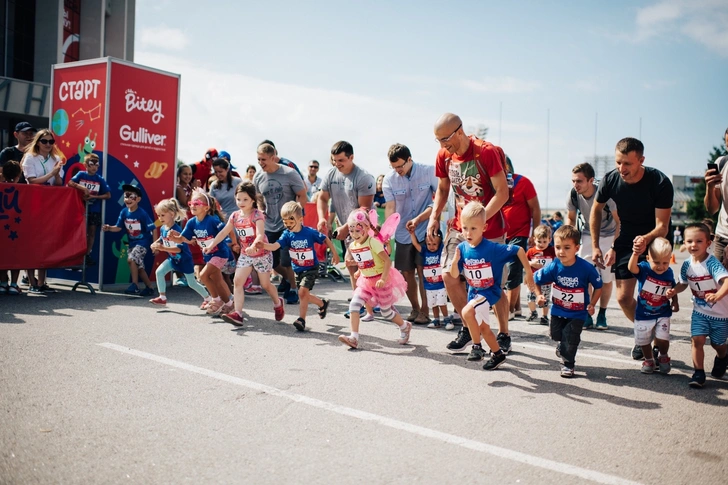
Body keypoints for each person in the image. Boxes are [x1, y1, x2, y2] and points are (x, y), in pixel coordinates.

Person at [426, 113, 511, 354]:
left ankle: (503, 333)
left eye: (446, 139)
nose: (443, 145)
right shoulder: (444, 155)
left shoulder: (486, 152)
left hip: (490, 229)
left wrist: (481, 219)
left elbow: (502, 192)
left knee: (491, 285)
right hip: (458, 227)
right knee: (448, 275)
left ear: (460, 131)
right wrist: (434, 216)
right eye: (438, 141)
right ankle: (468, 326)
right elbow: (443, 189)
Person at [590, 137, 673, 361]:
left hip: (655, 239)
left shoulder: (659, 182)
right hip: (627, 238)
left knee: (650, 297)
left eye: (627, 163)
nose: (621, 168)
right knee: (625, 298)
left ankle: (650, 335)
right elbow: (595, 210)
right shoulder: (610, 179)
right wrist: (597, 246)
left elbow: (662, 227)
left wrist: (645, 239)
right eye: (618, 162)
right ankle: (645, 335)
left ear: (641, 160)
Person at [449, 202, 538, 370]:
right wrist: (454, 261)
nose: (468, 233)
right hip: (474, 294)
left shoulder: (492, 248)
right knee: (484, 328)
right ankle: (498, 354)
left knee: (467, 311)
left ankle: (477, 347)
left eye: (474, 228)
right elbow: (454, 275)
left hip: (490, 292)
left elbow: (518, 249)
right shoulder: (462, 248)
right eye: (465, 228)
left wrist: (529, 273)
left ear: (484, 227)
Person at [203, 182, 283, 326]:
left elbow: (260, 234)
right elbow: (223, 232)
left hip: (261, 254)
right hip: (246, 255)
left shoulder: (257, 215)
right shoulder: (234, 216)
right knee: (237, 281)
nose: (241, 202)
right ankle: (238, 314)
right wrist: (211, 245)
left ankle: (278, 303)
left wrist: (253, 246)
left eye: (245, 199)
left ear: (253, 199)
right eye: (238, 199)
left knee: (265, 284)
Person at [316, 141, 376, 319]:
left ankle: (365, 303)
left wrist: (345, 227)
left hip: (362, 230)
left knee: (362, 267)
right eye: (334, 160)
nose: (337, 164)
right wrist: (322, 218)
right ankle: (363, 303)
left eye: (341, 160)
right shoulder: (331, 174)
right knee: (352, 267)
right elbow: (322, 198)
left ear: (352, 157)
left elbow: (364, 209)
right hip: (345, 229)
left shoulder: (364, 177)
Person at [259, 201, 340, 331]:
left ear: (300, 219)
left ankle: (301, 320)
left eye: (291, 222)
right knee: (304, 294)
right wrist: (263, 245)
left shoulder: (308, 232)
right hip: (297, 269)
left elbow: (325, 238)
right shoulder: (287, 235)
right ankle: (322, 303)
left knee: (302, 292)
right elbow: (275, 246)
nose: (288, 225)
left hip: (311, 268)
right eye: (285, 222)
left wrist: (335, 254)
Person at [535, 225, 603, 378]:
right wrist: (539, 295)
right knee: (555, 334)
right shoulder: (554, 266)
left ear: (576, 248)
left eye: (567, 247)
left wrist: (592, 303)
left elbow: (599, 286)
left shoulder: (586, 268)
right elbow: (536, 279)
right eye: (558, 247)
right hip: (558, 310)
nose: (561, 252)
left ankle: (568, 364)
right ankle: (562, 345)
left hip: (578, 313)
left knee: (571, 337)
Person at [337, 209, 410, 349]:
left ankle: (404, 326)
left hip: (381, 280)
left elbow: (387, 261)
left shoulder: (373, 243)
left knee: (386, 312)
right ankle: (353, 337)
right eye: (351, 231)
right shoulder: (353, 246)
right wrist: (359, 270)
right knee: (354, 305)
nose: (354, 234)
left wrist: (383, 279)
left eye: (358, 230)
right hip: (366, 281)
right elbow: (364, 260)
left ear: (366, 228)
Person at [383, 143, 438, 325]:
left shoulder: (429, 171)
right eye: (394, 167)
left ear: (409, 159)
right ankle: (415, 308)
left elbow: (439, 200)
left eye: (400, 166)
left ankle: (425, 310)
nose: (398, 170)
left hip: (426, 230)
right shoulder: (389, 180)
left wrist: (420, 219)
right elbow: (390, 208)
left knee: (423, 271)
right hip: (403, 233)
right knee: (406, 273)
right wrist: (387, 235)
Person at [667, 223, 728, 388]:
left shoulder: (712, 263)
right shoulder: (687, 264)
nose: (694, 245)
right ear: (684, 244)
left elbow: (727, 282)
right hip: (700, 312)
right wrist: (674, 291)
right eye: (690, 241)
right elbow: (683, 283)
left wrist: (717, 295)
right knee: (697, 340)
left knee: (718, 344)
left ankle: (723, 356)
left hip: (720, 314)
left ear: (708, 243)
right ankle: (698, 373)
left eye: (699, 241)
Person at [565, 162, 620, 330]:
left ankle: (602, 313)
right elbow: (571, 219)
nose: (576, 185)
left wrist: (614, 247)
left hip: (609, 235)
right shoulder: (574, 194)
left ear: (591, 181)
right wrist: (570, 240)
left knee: (606, 278)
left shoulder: (606, 194)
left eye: (579, 181)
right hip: (588, 235)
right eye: (574, 181)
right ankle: (588, 312)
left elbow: (620, 222)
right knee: (585, 276)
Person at [254, 143, 308, 304]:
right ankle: (286, 278)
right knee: (272, 261)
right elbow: (258, 197)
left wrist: (295, 215)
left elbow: (302, 194)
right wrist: (260, 210)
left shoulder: (289, 173)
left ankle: (293, 288)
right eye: (258, 159)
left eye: (263, 159)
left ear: (273, 157)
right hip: (269, 223)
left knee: (286, 260)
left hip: (287, 224)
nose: (260, 163)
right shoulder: (258, 177)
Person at [169, 190, 234, 316]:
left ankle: (216, 300)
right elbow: (184, 238)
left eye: (197, 203)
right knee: (218, 280)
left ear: (206, 208)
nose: (192, 205)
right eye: (191, 202)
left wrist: (233, 242)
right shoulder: (192, 222)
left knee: (203, 276)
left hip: (220, 253)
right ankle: (230, 303)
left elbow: (226, 231)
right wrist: (175, 238)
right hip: (208, 256)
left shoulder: (212, 221)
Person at [627, 237, 678, 375]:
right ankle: (649, 359)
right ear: (648, 258)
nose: (661, 266)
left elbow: (672, 287)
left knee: (663, 338)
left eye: (665, 262)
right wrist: (635, 254)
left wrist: (675, 301)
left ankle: (663, 356)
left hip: (663, 313)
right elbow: (631, 268)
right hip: (643, 313)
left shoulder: (668, 272)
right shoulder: (644, 268)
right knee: (643, 340)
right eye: (656, 262)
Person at [148, 198, 210, 306]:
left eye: (162, 215)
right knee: (159, 272)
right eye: (158, 215)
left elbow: (179, 249)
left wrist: (163, 248)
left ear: (172, 214)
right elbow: (162, 239)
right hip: (172, 259)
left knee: (192, 283)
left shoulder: (177, 230)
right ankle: (162, 297)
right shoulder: (163, 228)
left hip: (184, 260)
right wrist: (155, 243)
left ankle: (208, 298)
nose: (160, 218)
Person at [501, 157, 540, 320]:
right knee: (503, 271)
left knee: (514, 269)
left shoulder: (524, 182)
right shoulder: (495, 184)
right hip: (502, 234)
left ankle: (508, 310)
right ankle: (516, 307)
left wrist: (534, 233)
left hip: (520, 233)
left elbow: (535, 209)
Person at [102, 184, 157, 296]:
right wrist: (109, 228)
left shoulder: (142, 213)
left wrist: (155, 245)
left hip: (143, 243)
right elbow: (118, 228)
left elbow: (154, 228)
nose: (127, 199)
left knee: (131, 260)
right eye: (126, 196)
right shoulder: (124, 212)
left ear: (138, 199)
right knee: (139, 267)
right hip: (132, 243)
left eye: (131, 196)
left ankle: (135, 285)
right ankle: (150, 288)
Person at [68, 153, 111, 266]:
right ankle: (75, 254)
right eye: (91, 164)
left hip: (94, 210)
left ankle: (87, 255)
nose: (94, 167)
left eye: (97, 165)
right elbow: (70, 183)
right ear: (86, 165)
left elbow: (108, 195)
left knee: (91, 232)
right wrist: (82, 188)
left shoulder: (100, 179)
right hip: (80, 209)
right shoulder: (81, 175)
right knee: (78, 232)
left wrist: (94, 197)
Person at [409, 227, 452, 330]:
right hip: (429, 285)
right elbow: (415, 244)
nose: (431, 247)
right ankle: (436, 320)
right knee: (433, 304)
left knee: (441, 303)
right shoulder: (424, 251)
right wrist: (412, 233)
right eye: (429, 244)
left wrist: (449, 231)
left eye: (434, 244)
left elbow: (445, 242)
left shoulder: (440, 251)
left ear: (439, 243)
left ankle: (446, 319)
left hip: (440, 284)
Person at [703, 127, 728, 266]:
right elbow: (712, 209)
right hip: (722, 237)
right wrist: (710, 187)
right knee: (716, 285)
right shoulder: (722, 163)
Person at [0, 161, 23, 295]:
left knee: (2, 254)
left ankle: (3, 283)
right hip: (17, 228)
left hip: (2, 228)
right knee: (15, 256)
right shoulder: (23, 190)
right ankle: (14, 284)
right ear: (19, 174)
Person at [526, 224, 556, 324]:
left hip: (546, 281)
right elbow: (524, 262)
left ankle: (544, 316)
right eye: (539, 241)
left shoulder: (551, 251)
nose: (541, 244)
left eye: (544, 242)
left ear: (549, 240)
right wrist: (531, 263)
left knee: (545, 299)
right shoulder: (531, 251)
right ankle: (533, 312)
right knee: (530, 298)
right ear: (534, 239)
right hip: (533, 280)